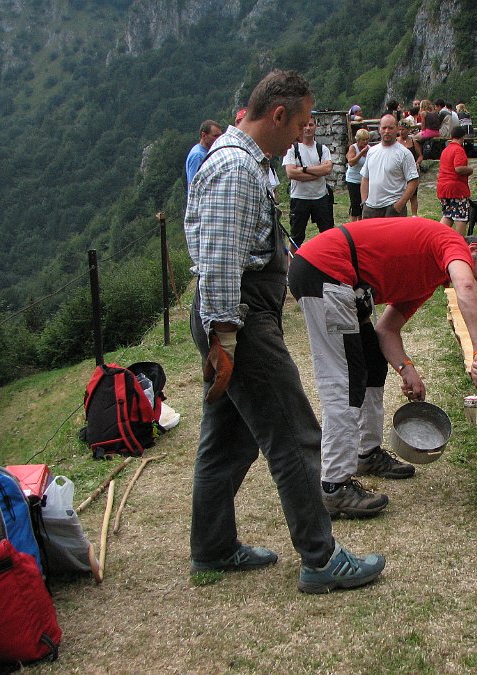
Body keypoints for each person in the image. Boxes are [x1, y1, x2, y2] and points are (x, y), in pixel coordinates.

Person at [184, 68, 384, 592]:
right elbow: (222, 260)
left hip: (236, 317)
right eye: (299, 123)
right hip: (239, 321)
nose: (302, 133)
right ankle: (321, 559)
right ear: (277, 115)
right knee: (295, 436)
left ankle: (213, 548)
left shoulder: (245, 162)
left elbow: (254, 244)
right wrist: (225, 341)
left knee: (228, 440)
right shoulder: (234, 168)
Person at [287, 218, 477, 518]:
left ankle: (366, 454)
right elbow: (466, 285)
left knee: (373, 363)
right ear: (472, 249)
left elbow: (387, 330)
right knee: (345, 381)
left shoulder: (426, 281)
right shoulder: (450, 241)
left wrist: (406, 369)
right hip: (325, 270)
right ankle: (334, 487)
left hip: (344, 282)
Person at [284, 116, 335, 248]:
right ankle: (292, 266)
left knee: (328, 234)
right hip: (299, 198)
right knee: (296, 237)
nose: (308, 128)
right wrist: (317, 173)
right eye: (305, 125)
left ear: (316, 126)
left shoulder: (322, 149)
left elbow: (328, 169)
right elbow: (290, 173)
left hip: (320, 197)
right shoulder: (291, 149)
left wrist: (303, 169)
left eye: (311, 125)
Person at [360, 114, 419, 219]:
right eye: (384, 127)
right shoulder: (372, 151)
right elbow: (365, 178)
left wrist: (399, 205)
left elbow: (413, 181)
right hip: (370, 208)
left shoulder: (404, 154)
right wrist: (364, 202)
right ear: (379, 129)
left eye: (390, 128)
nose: (387, 131)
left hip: (392, 208)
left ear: (397, 129)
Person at [437, 126, 474, 234]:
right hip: (456, 189)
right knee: (460, 217)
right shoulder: (458, 149)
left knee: (448, 215)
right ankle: (460, 243)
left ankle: (438, 238)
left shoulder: (446, 150)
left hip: (443, 188)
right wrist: (470, 170)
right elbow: (458, 168)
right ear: (463, 137)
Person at [184, 120, 222, 192]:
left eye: (220, 136)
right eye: (215, 136)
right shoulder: (198, 155)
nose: (219, 139)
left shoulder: (206, 151)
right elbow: (194, 185)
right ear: (204, 135)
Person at [397, 117, 423, 216]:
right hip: (399, 171)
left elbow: (420, 156)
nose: (401, 131)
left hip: (411, 170)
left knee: (413, 194)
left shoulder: (413, 141)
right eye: (399, 129)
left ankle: (414, 215)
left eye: (403, 129)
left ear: (408, 130)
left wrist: (417, 163)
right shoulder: (396, 141)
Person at [345, 128, 370, 222]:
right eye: (363, 139)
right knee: (355, 205)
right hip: (353, 180)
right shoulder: (353, 148)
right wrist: (361, 153)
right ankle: (353, 224)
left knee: (363, 204)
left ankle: (361, 223)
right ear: (358, 140)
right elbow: (351, 162)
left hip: (364, 181)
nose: (365, 141)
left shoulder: (369, 149)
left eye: (367, 139)